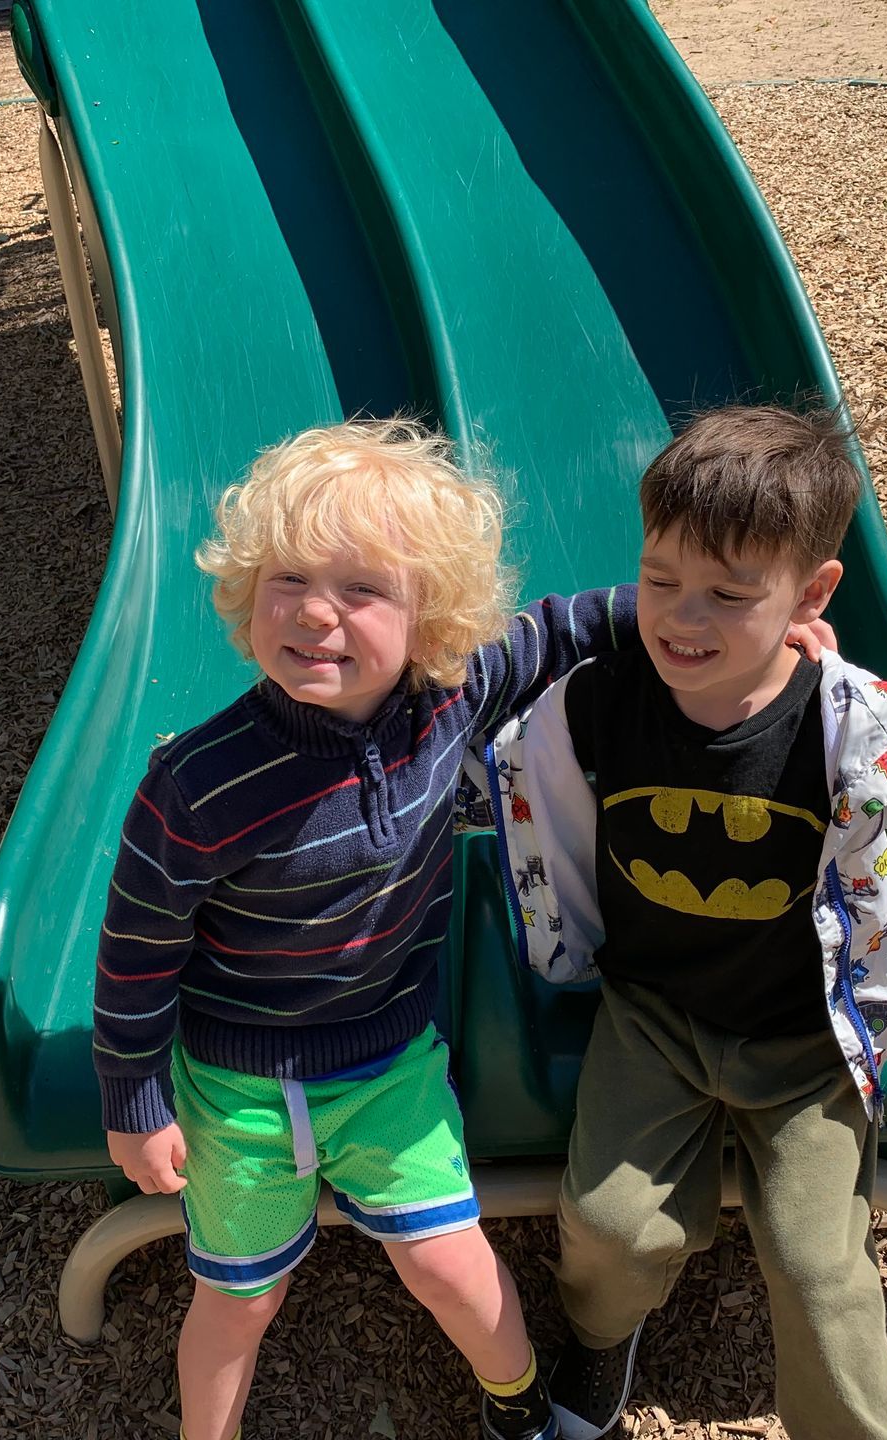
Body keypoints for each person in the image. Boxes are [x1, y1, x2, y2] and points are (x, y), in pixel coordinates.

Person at [490, 405, 887, 1440]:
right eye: (659, 579)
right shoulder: (599, 703)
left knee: (818, 1264)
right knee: (609, 1230)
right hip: (654, 1014)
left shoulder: (862, 729)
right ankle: (603, 1339)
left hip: (807, 1038)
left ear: (811, 593)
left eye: (729, 596)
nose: (681, 618)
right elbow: (516, 775)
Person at [90, 418, 641, 1440]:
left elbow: (564, 627)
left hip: (387, 1061)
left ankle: (520, 1407)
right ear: (247, 591)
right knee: (242, 1296)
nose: (314, 613)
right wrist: (134, 1095)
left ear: (432, 621)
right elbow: (136, 950)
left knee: (447, 1258)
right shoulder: (200, 783)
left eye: (361, 590)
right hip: (243, 1082)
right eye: (288, 579)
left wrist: (693, 617)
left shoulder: (452, 693)